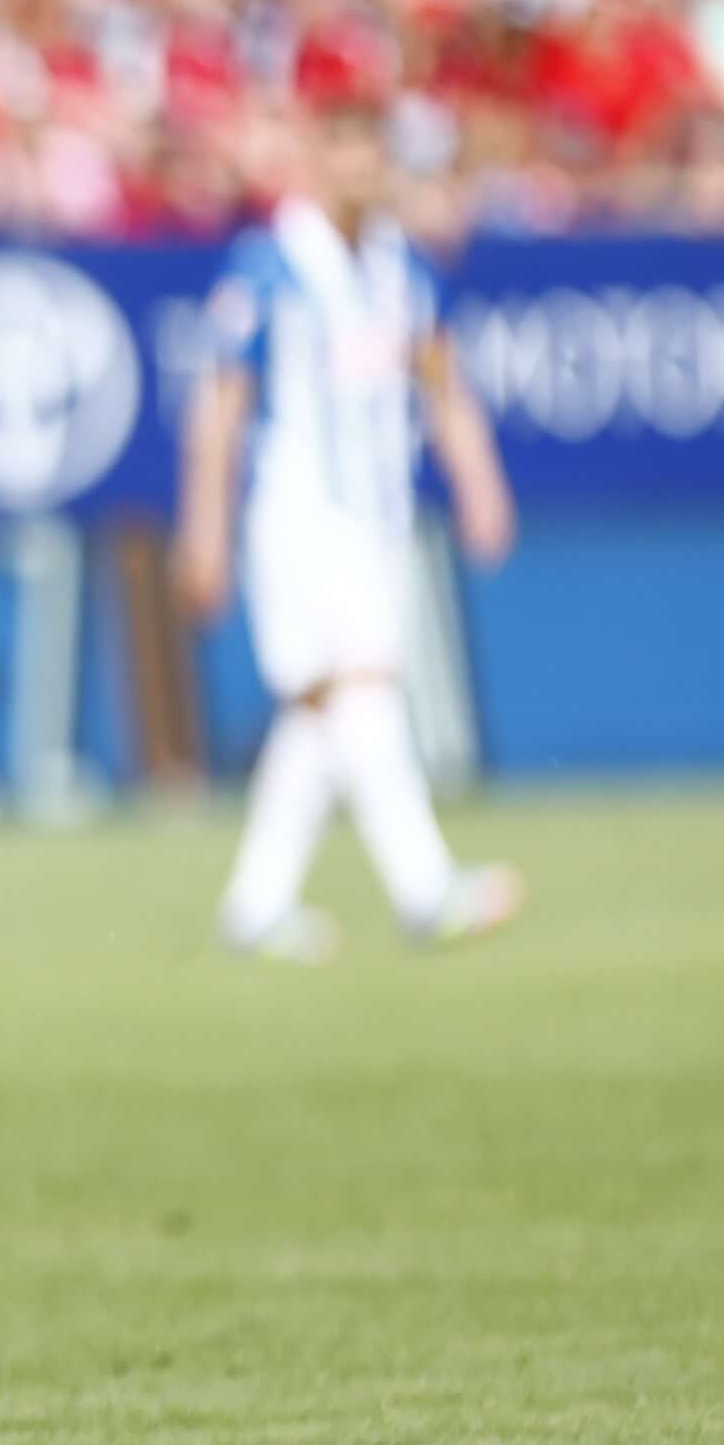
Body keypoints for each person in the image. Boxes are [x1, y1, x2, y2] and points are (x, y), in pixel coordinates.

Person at [176, 114, 522, 959]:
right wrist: (206, 530)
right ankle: (425, 889)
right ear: (317, 157)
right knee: (363, 686)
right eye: (346, 144)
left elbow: (442, 382)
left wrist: (479, 481)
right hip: (299, 517)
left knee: (319, 708)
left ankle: (255, 906)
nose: (364, 164)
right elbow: (218, 410)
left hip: (380, 518)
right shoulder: (271, 267)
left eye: (374, 146)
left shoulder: (400, 267)